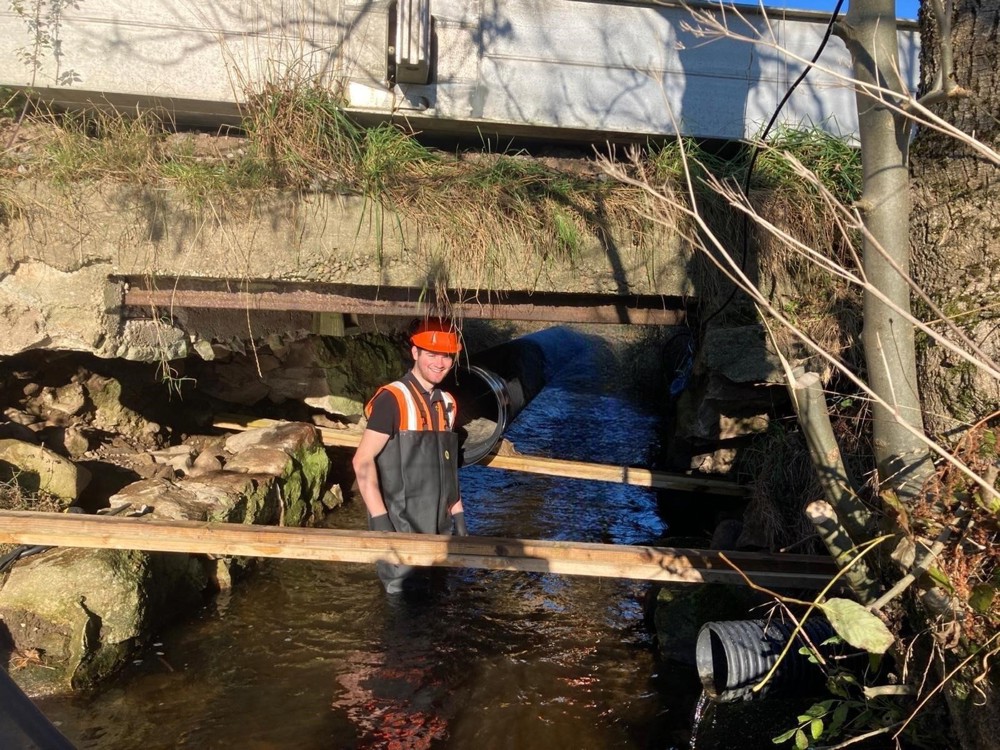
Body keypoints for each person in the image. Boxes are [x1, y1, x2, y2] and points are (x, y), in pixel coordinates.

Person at [352, 317, 469, 593]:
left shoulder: (447, 404)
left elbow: (447, 468)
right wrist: (381, 524)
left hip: (440, 532)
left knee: (436, 611)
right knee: (402, 616)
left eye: (446, 356)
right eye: (432, 354)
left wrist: (459, 517)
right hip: (401, 530)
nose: (439, 363)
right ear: (415, 353)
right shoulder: (392, 400)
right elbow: (362, 460)